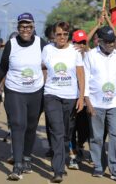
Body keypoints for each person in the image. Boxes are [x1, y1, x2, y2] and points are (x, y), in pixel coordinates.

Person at [0, 12, 46, 181]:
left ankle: (27, 157)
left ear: (33, 27)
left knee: (30, 127)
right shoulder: (11, 44)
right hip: (14, 91)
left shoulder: (41, 44)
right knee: (18, 124)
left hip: (36, 91)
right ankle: (18, 165)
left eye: (29, 26)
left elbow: (53, 61)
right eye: (22, 26)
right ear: (18, 28)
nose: (26, 29)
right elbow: (2, 68)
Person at [84, 26, 116, 181]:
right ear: (100, 41)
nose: (112, 44)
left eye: (113, 41)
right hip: (96, 103)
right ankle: (98, 166)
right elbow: (84, 80)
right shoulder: (90, 56)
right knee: (96, 136)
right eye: (109, 42)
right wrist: (87, 102)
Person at [42, 22, 85, 183]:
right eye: (59, 34)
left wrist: (81, 97)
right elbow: (40, 66)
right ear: (54, 35)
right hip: (51, 95)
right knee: (57, 131)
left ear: (69, 36)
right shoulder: (47, 50)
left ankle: (62, 158)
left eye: (65, 34)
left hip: (70, 97)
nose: (62, 37)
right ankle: (58, 170)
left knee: (67, 133)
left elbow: (81, 75)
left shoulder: (75, 52)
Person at [69, 29, 90, 168]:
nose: (81, 45)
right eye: (78, 42)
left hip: (86, 98)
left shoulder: (91, 55)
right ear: (73, 42)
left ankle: (80, 144)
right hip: (71, 97)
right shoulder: (69, 55)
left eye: (83, 42)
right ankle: (73, 155)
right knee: (71, 127)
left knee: (84, 129)